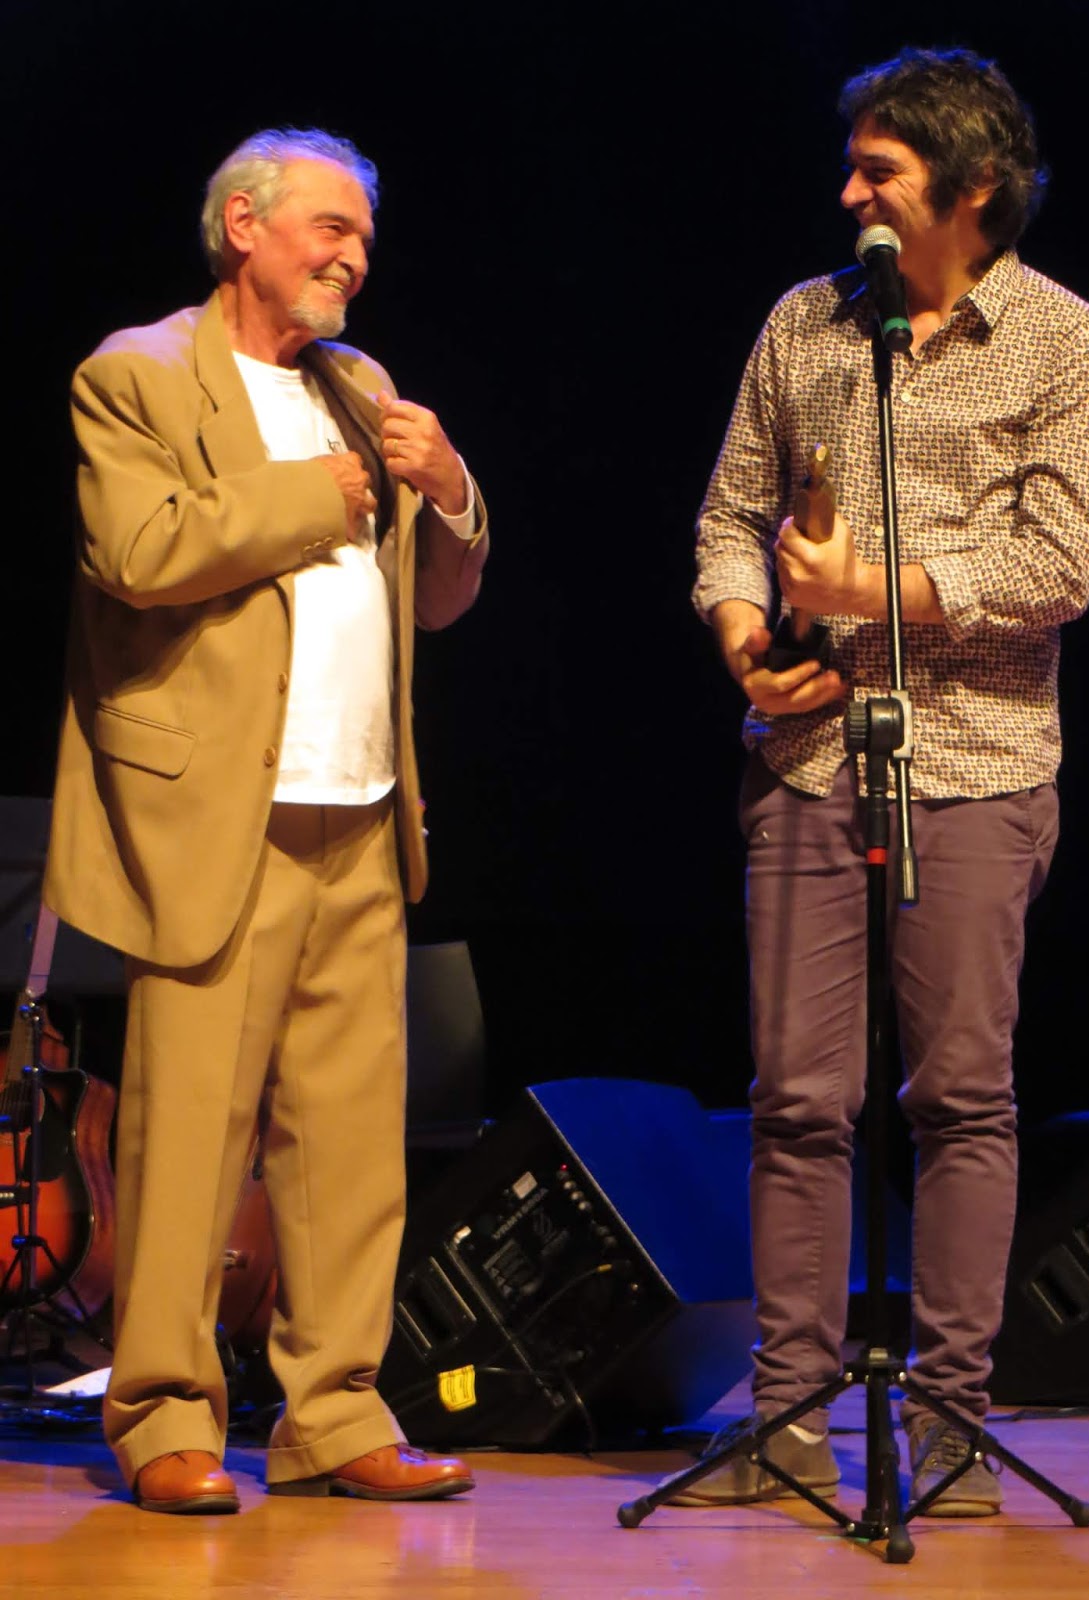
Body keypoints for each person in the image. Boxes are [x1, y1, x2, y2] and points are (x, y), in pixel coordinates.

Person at [674, 48, 1089, 1514]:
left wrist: (867, 590)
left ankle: (946, 1425)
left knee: (962, 1098)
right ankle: (789, 1421)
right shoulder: (803, 323)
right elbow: (732, 516)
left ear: (973, 188)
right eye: (853, 167)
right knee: (798, 1101)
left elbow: (1056, 565)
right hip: (808, 758)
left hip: (977, 764)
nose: (851, 194)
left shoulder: (1065, 341)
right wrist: (745, 637)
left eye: (882, 172)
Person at [44, 128, 489, 1513]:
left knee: (350, 1144)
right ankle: (163, 1413)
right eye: (330, 228)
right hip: (216, 818)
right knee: (187, 1135)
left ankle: (336, 1412)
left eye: (365, 237)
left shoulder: (365, 389)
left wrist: (451, 490)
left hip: (360, 813)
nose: (354, 257)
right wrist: (322, 495)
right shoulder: (138, 373)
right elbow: (139, 551)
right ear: (244, 225)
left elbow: (435, 598)